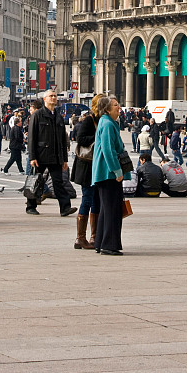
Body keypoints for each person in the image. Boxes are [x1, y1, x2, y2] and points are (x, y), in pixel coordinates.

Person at [26, 90, 77, 217]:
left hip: (55, 155)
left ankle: (65, 208)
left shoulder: (58, 116)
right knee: (37, 181)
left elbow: (62, 140)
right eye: (51, 96)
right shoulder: (37, 115)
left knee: (58, 182)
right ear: (45, 99)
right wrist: (32, 156)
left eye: (55, 96)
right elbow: (31, 137)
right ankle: (30, 205)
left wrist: (64, 159)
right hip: (41, 154)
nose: (53, 98)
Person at [92, 96, 128, 255]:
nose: (118, 107)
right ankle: (109, 245)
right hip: (108, 173)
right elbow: (108, 149)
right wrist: (117, 171)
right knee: (113, 209)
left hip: (105, 173)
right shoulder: (107, 124)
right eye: (115, 105)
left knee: (106, 210)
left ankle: (100, 243)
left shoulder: (106, 122)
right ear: (106, 109)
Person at [70, 95, 102, 249]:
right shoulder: (89, 120)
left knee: (96, 200)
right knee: (87, 199)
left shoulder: (104, 120)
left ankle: (94, 236)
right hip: (87, 166)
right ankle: (80, 237)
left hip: (96, 166)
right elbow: (80, 139)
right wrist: (99, 136)